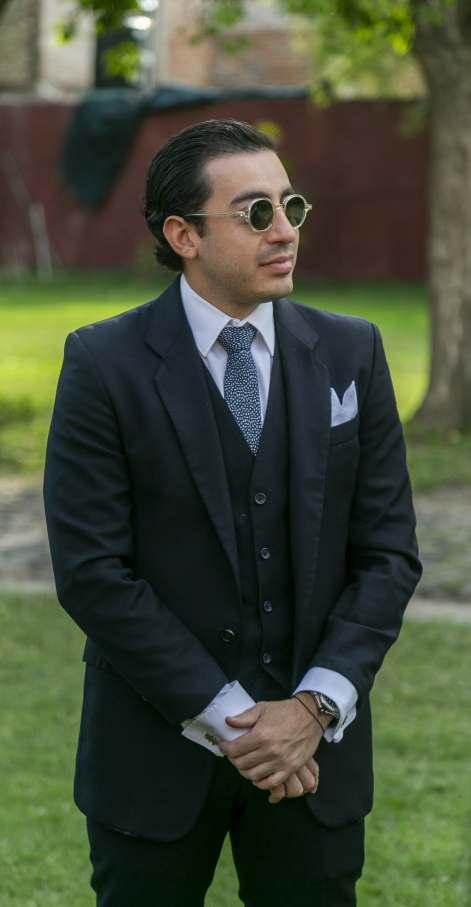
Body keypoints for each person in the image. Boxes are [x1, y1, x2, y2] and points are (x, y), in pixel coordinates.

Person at [43, 118, 421, 907]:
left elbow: (387, 552)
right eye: (256, 212)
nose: (284, 231)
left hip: (315, 758)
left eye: (291, 206)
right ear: (182, 234)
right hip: (153, 754)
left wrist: (313, 708)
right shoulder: (103, 363)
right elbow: (92, 571)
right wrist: (235, 719)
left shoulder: (351, 351)